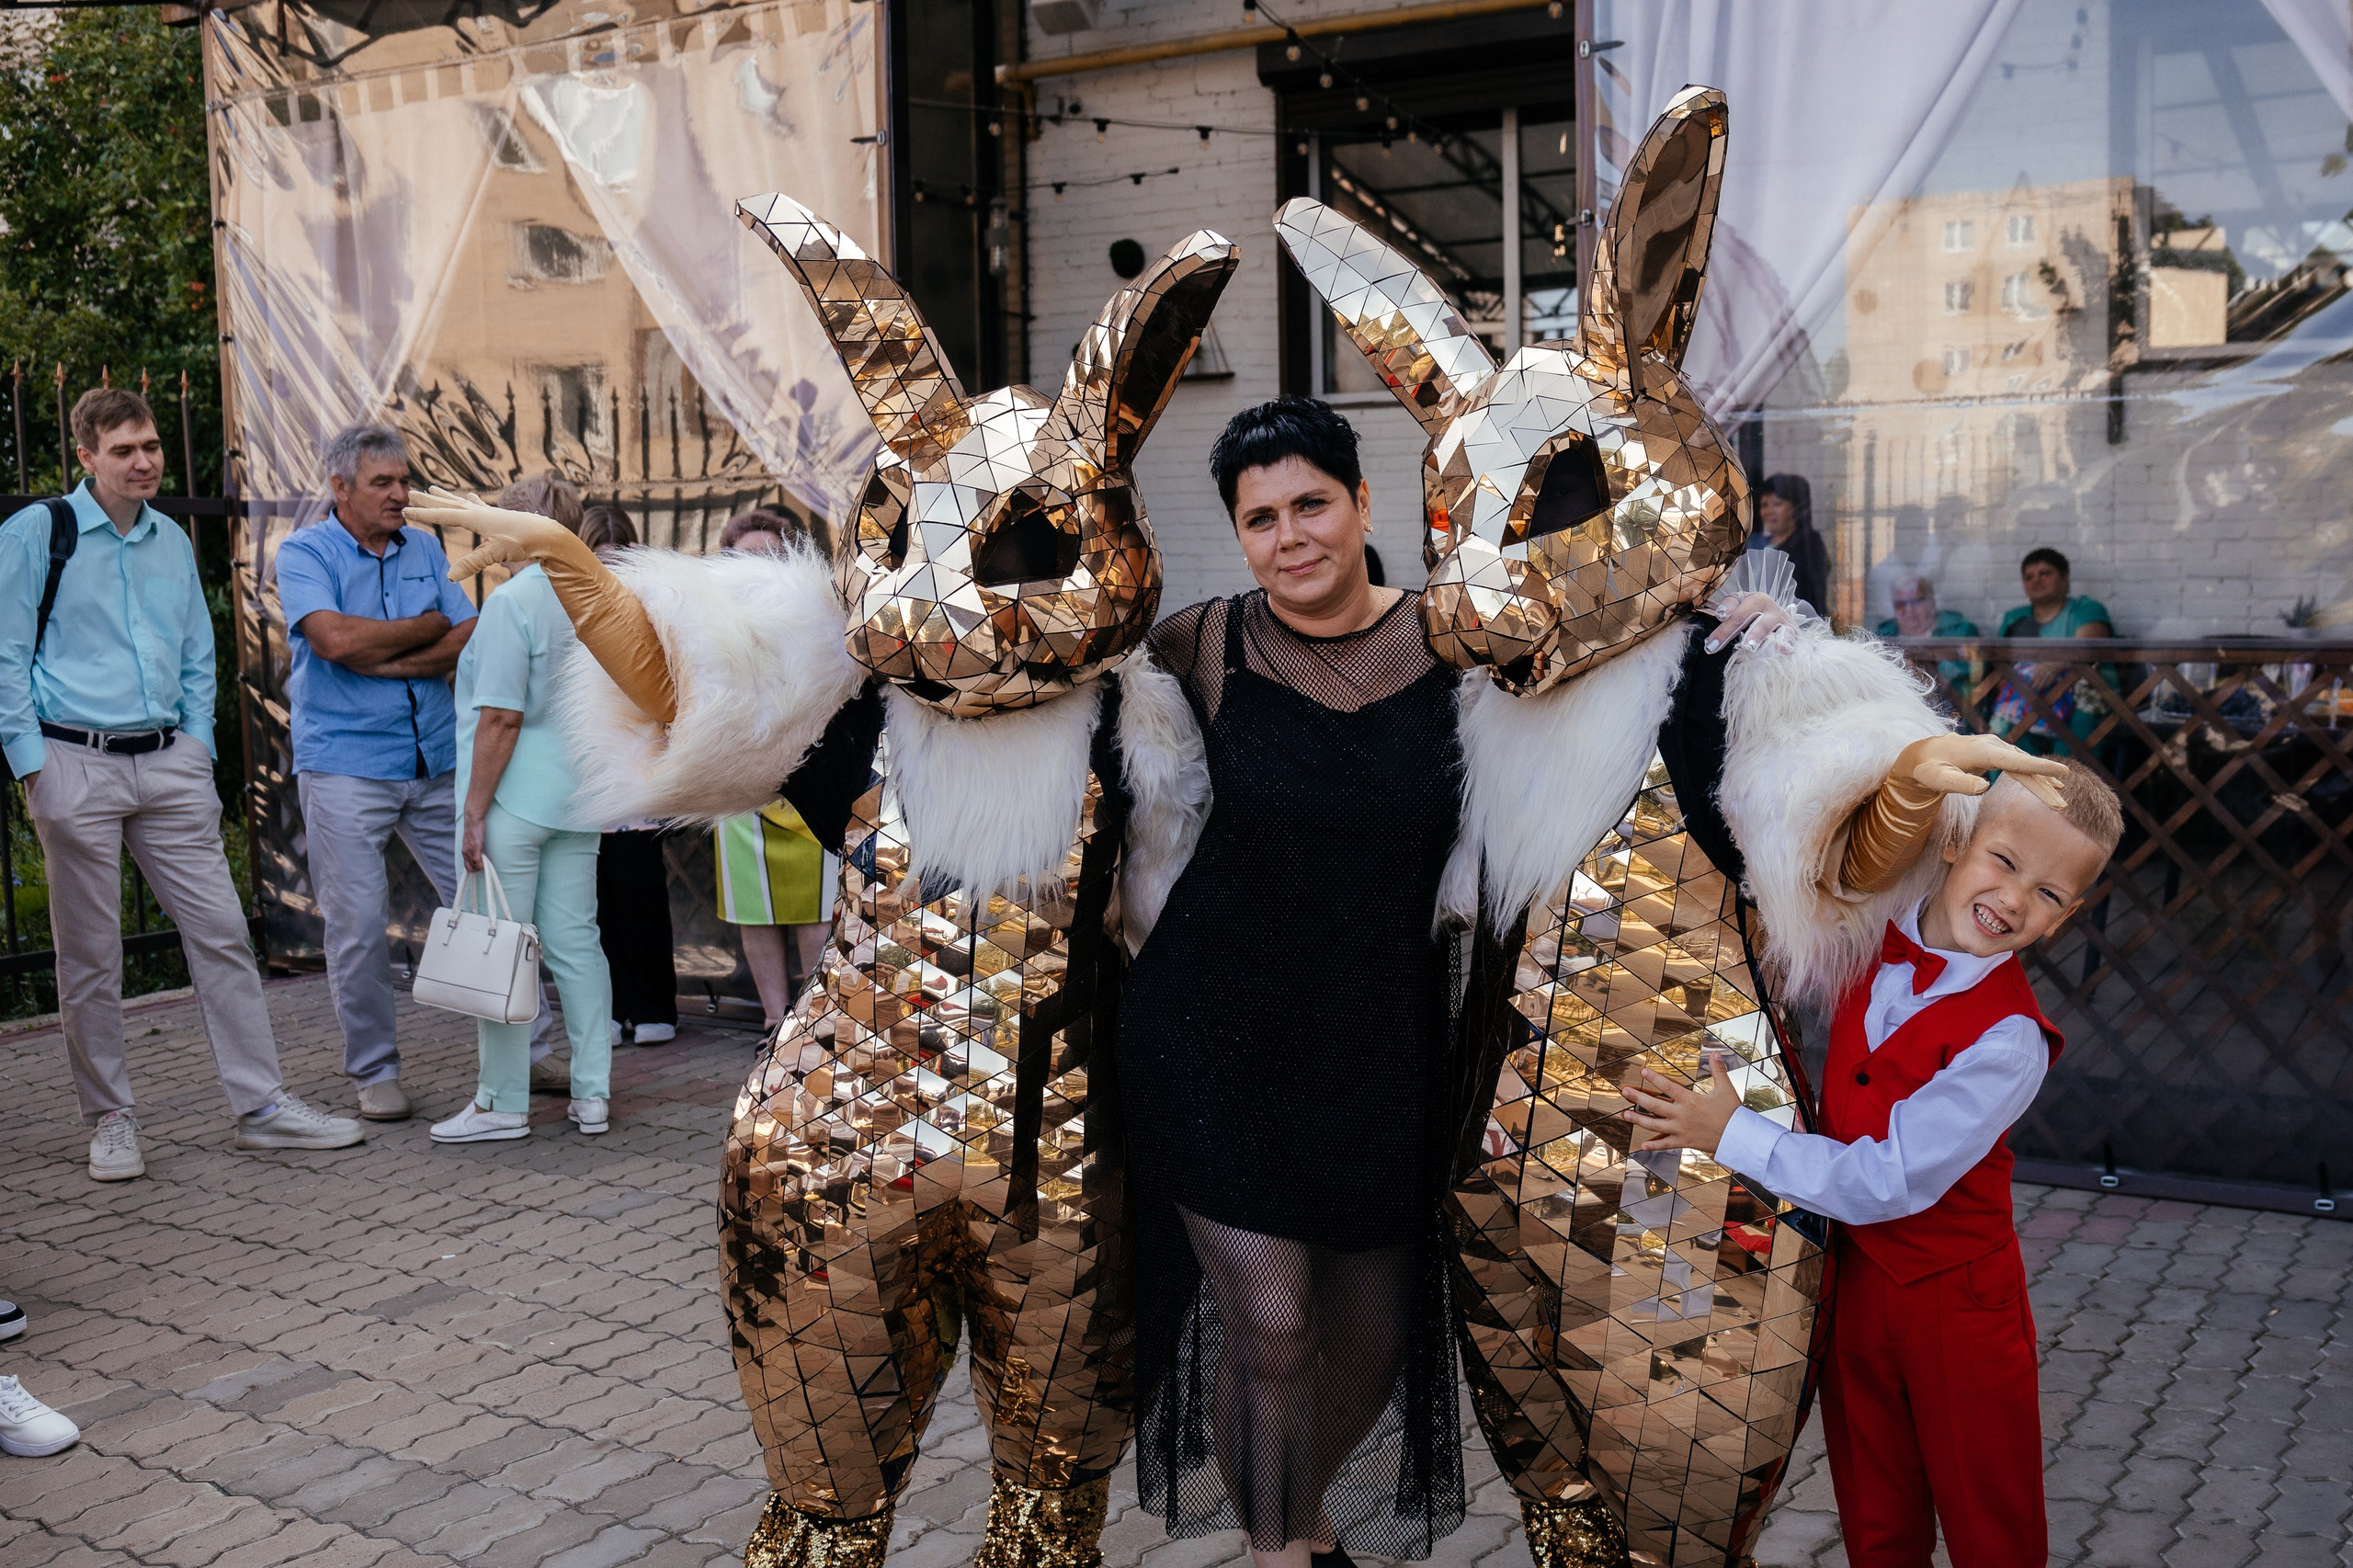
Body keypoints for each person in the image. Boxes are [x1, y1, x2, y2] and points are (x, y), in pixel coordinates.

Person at [403, 206, 1239, 1568]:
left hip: (1062, 1171)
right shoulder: (849, 716)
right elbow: (676, 684)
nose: (954, 597)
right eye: (915, 539)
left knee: (1049, 1516)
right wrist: (569, 567)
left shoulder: (1134, 736)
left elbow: (1178, 926)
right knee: (822, 1514)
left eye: (1017, 546)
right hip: (838, 1164)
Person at [1622, 745, 2120, 1568]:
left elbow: (1887, 1177)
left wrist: (1733, 1135)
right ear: (1956, 840)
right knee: (1876, 1519)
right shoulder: (1869, 933)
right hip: (1851, 1292)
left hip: (1956, 1306)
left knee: (1992, 1528)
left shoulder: (2010, 1041)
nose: (2012, 899)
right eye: (2004, 860)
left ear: (2063, 919)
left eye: (2047, 894)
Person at [1, 389, 364, 1179]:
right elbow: (4, 653)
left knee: (224, 933)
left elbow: (198, 650)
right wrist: (32, 761)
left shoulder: (169, 538)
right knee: (90, 957)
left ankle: (261, 1106)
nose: (144, 461)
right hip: (74, 761)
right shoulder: (40, 533)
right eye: (124, 449)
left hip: (167, 764)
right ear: (86, 457)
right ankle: (111, 1119)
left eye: (152, 446)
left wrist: (195, 747)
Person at [275, 423, 478, 1120]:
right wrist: (424, 628)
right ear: (340, 488)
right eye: (383, 483)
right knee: (358, 926)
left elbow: (466, 633)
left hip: (437, 759)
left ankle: (526, 1049)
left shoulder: (423, 545)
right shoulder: (304, 552)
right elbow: (332, 639)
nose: (400, 494)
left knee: (486, 905)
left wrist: (390, 656)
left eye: (404, 480)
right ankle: (375, 1072)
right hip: (346, 766)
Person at [426, 472, 614, 1143]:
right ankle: (593, 1093)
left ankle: (501, 1103)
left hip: (512, 801)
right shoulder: (596, 592)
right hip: (580, 794)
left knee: (499, 947)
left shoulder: (515, 602)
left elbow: (500, 719)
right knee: (578, 947)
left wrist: (474, 812)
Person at [710, 508, 833, 1020]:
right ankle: (773, 1022)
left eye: (769, 554)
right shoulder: (708, 618)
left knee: (818, 909)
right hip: (739, 777)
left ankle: (818, 1024)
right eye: (744, 556)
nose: (756, 566)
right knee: (753, 908)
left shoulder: (818, 613)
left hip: (809, 773)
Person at [579, 502, 677, 1048]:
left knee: (640, 887)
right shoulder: (568, 607)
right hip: (587, 763)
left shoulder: (650, 605)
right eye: (600, 561)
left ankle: (654, 1004)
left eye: (620, 561)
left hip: (636, 756)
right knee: (593, 895)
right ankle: (610, 1009)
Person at [1992, 547, 2114, 754]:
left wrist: (2056, 665)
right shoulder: (2015, 618)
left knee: (2070, 751)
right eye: (2029, 577)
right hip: (2025, 700)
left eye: (2045, 573)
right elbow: (2000, 665)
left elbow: (2090, 646)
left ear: (2065, 579)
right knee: (2002, 736)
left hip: (2076, 702)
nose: (2036, 580)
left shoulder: (2086, 609)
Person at [1878, 571, 1981, 700]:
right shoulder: (1882, 635)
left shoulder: (1961, 632)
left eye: (1916, 601)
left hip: (1951, 712)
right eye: (1901, 605)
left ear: (1932, 603)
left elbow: (1971, 678)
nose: (1909, 610)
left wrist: (1933, 659)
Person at [1749, 471, 1832, 616]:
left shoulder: (1808, 545)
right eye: (1764, 505)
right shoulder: (1758, 545)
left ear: (1795, 508)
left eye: (1777, 504)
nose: (1769, 511)